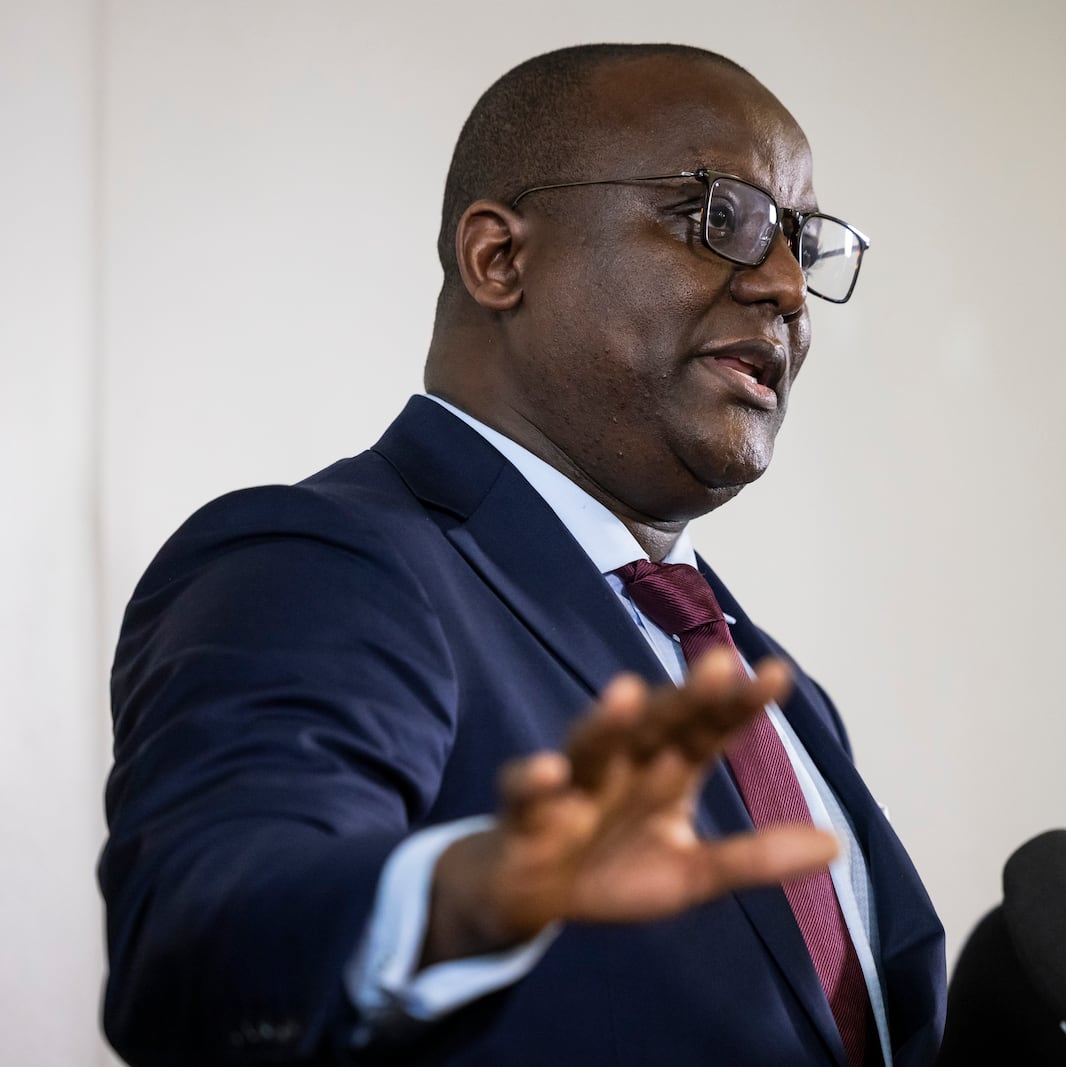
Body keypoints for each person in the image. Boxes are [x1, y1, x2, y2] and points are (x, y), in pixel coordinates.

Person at [98, 43, 944, 1067]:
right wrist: (468, 891)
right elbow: (201, 946)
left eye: (800, 246)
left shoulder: (776, 694)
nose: (784, 290)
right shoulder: (324, 561)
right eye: (720, 216)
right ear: (500, 258)